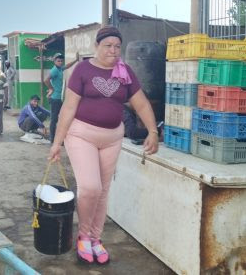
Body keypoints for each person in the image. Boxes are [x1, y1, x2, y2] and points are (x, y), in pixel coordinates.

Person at [48, 26, 159, 265]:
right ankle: (83, 236)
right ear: (96, 47)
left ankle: (95, 239)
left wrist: (153, 131)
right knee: (90, 187)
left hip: (112, 138)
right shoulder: (83, 69)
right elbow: (68, 107)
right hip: (81, 134)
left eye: (117, 46)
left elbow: (140, 103)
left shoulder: (125, 72)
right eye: (108, 45)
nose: (113, 50)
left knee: (103, 191)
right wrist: (57, 142)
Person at [43, 52, 79, 142]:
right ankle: (52, 138)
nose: (60, 62)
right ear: (54, 61)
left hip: (58, 98)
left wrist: (76, 60)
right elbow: (46, 80)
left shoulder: (59, 69)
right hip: (55, 98)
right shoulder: (54, 70)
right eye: (58, 61)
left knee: (59, 118)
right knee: (54, 119)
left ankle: (57, 137)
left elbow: (67, 66)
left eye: (61, 61)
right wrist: (51, 89)